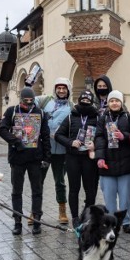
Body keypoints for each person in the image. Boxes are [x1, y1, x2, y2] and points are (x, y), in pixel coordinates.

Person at [0, 87, 52, 235]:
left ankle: (36, 221)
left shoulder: (40, 113)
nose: (28, 104)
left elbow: (46, 136)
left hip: (35, 158)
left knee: (37, 190)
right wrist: (15, 141)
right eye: (25, 101)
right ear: (20, 100)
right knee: (17, 191)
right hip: (17, 158)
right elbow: (2, 129)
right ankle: (17, 221)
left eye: (31, 101)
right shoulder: (12, 111)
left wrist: (47, 157)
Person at [54, 90, 100, 227]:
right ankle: (75, 217)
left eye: (88, 100)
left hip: (89, 158)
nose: (85, 102)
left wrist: (95, 144)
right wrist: (70, 142)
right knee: (74, 188)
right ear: (79, 100)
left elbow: (102, 136)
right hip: (73, 158)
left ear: (91, 102)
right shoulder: (71, 116)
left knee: (90, 189)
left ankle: (87, 214)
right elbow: (58, 135)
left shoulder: (97, 117)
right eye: (83, 100)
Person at [94, 90, 130, 233]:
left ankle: (125, 221)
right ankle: (111, 221)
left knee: (126, 195)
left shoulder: (129, 117)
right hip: (108, 163)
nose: (114, 103)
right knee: (109, 196)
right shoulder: (102, 118)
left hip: (125, 163)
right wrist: (100, 157)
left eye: (117, 100)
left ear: (121, 102)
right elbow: (99, 138)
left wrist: (124, 136)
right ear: (108, 103)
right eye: (112, 100)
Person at [36, 77, 73, 225]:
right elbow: (28, 100)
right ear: (55, 89)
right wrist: (29, 86)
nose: (61, 90)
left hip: (62, 150)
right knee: (38, 180)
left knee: (60, 181)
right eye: (59, 88)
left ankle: (62, 210)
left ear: (68, 90)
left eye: (64, 88)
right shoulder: (46, 102)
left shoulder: (72, 107)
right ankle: (35, 210)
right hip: (45, 149)